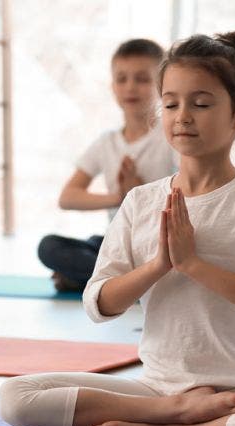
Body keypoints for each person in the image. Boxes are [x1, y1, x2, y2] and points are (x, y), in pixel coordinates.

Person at [0, 31, 235, 426]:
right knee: (16, 396)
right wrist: (158, 265)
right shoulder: (141, 201)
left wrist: (193, 265)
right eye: (171, 103)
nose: (182, 116)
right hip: (155, 386)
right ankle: (174, 412)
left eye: (201, 104)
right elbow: (98, 303)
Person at [38, 38, 178, 292]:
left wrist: (141, 195)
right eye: (121, 79)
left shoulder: (172, 138)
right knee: (49, 247)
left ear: (162, 85)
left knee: (168, 259)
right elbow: (68, 198)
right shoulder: (107, 142)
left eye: (142, 79)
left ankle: (106, 281)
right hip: (117, 245)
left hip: (156, 246)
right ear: (112, 86)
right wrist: (120, 197)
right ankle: (128, 282)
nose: (130, 87)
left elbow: (192, 196)